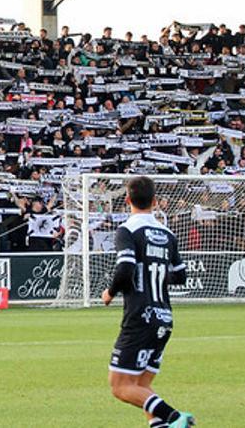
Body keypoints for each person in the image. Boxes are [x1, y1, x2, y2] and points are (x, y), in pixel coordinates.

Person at [101, 176, 194, 428]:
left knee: (120, 386)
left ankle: (175, 418)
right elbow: (181, 275)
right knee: (141, 386)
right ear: (155, 202)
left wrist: (110, 292)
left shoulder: (127, 230)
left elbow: (125, 269)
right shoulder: (167, 233)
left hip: (140, 317)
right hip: (164, 317)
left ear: (127, 200)